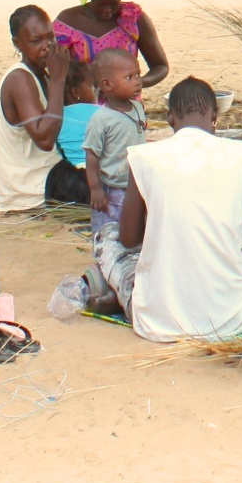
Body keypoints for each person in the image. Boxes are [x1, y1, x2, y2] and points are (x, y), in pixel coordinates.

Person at [113, 78, 242, 341]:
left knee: (107, 241)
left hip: (159, 321)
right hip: (233, 318)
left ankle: (95, 287)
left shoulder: (144, 157)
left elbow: (128, 239)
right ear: (215, 116)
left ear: (171, 118)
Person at [72, 49, 151, 314]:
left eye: (138, 75)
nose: (138, 81)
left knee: (134, 233)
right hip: (111, 189)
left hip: (135, 185)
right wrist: (94, 188)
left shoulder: (138, 107)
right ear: (107, 85)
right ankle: (107, 273)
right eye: (130, 77)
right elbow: (91, 155)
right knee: (109, 232)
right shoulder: (101, 119)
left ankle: (130, 269)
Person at [0, 6, 66, 212]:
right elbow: (44, 139)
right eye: (36, 41)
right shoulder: (20, 78)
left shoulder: (42, 73)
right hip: (31, 191)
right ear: (18, 44)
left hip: (46, 175)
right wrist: (59, 80)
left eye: (50, 38)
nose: (47, 46)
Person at [56, 0, 173, 86]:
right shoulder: (68, 22)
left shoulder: (134, 19)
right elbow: (54, 67)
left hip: (126, 103)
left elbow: (161, 66)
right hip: (83, 103)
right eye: (100, 5)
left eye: (114, 4)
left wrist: (136, 83)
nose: (108, 11)